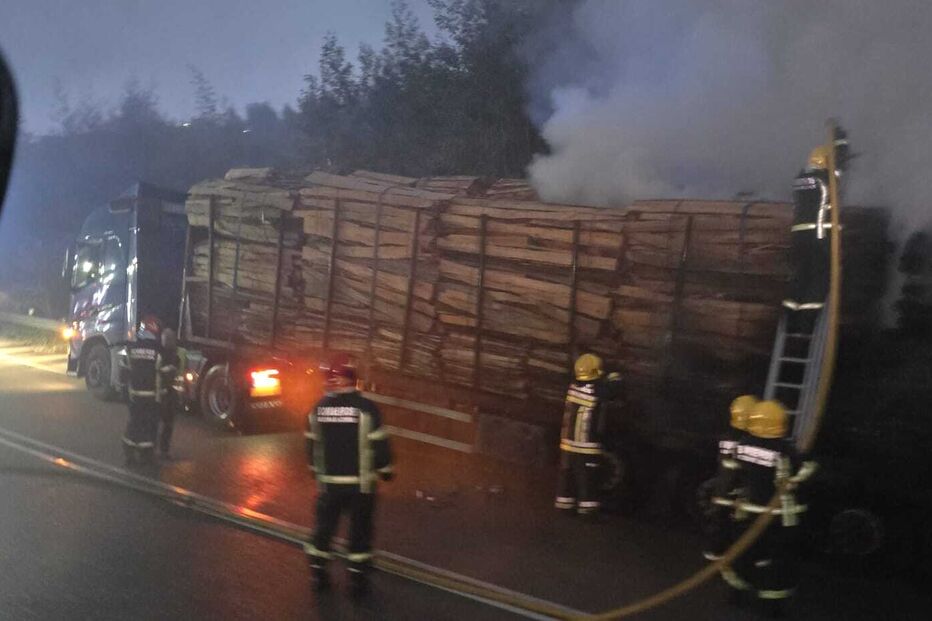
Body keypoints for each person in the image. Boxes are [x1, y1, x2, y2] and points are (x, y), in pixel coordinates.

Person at [304, 353, 393, 597]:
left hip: (329, 486)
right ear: (353, 379)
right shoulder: (367, 409)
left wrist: (315, 471)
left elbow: (311, 445)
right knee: (360, 532)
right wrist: (386, 472)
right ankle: (357, 580)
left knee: (324, 528)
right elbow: (380, 446)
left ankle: (318, 572)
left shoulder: (318, 409)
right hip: (361, 488)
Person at [727, 400, 817, 616]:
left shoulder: (743, 444)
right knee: (777, 561)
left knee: (744, 554)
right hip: (777, 517)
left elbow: (736, 473)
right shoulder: (785, 450)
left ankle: (737, 595)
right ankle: (769, 607)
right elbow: (807, 468)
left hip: (747, 512)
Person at [554, 353, 622, 517]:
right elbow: (613, 389)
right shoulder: (594, 391)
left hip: (568, 443)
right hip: (585, 446)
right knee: (587, 479)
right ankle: (588, 510)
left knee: (567, 476)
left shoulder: (573, 387)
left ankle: (563, 506)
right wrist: (614, 374)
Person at [704, 394, 757, 562]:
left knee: (718, 528)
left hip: (722, 492)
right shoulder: (748, 441)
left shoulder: (727, 437)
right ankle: (727, 563)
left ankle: (713, 559)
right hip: (735, 494)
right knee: (733, 529)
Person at [120, 316, 166, 465]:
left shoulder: (131, 348)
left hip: (134, 394)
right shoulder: (157, 352)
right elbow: (162, 375)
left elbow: (125, 371)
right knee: (148, 424)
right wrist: (161, 397)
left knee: (134, 422)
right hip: (151, 395)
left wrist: (125, 391)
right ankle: (146, 455)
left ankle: (129, 452)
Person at [157, 328, 181, 459]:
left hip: (165, 395)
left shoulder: (163, 354)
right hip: (167, 395)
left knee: (163, 423)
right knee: (167, 424)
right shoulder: (173, 356)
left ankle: (159, 450)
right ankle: (163, 450)